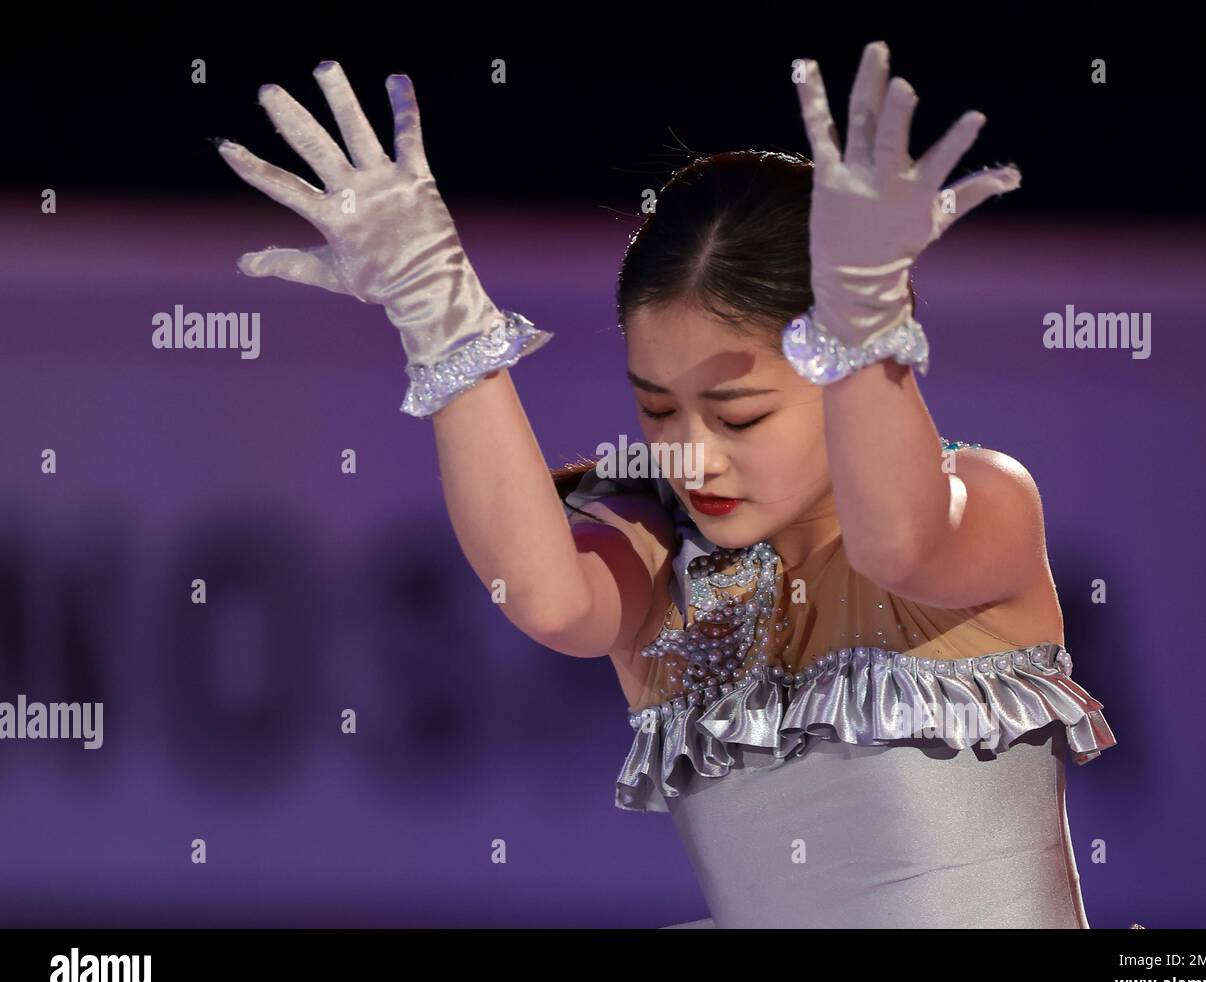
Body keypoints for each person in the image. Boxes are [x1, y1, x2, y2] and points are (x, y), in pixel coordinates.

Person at [217, 43, 1118, 929]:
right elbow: (544, 597)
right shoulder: (658, 550)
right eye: (656, 410)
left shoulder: (987, 500)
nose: (694, 456)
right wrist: (437, 317)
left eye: (740, 416)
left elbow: (898, 543)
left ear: (842, 363)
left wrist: (868, 325)